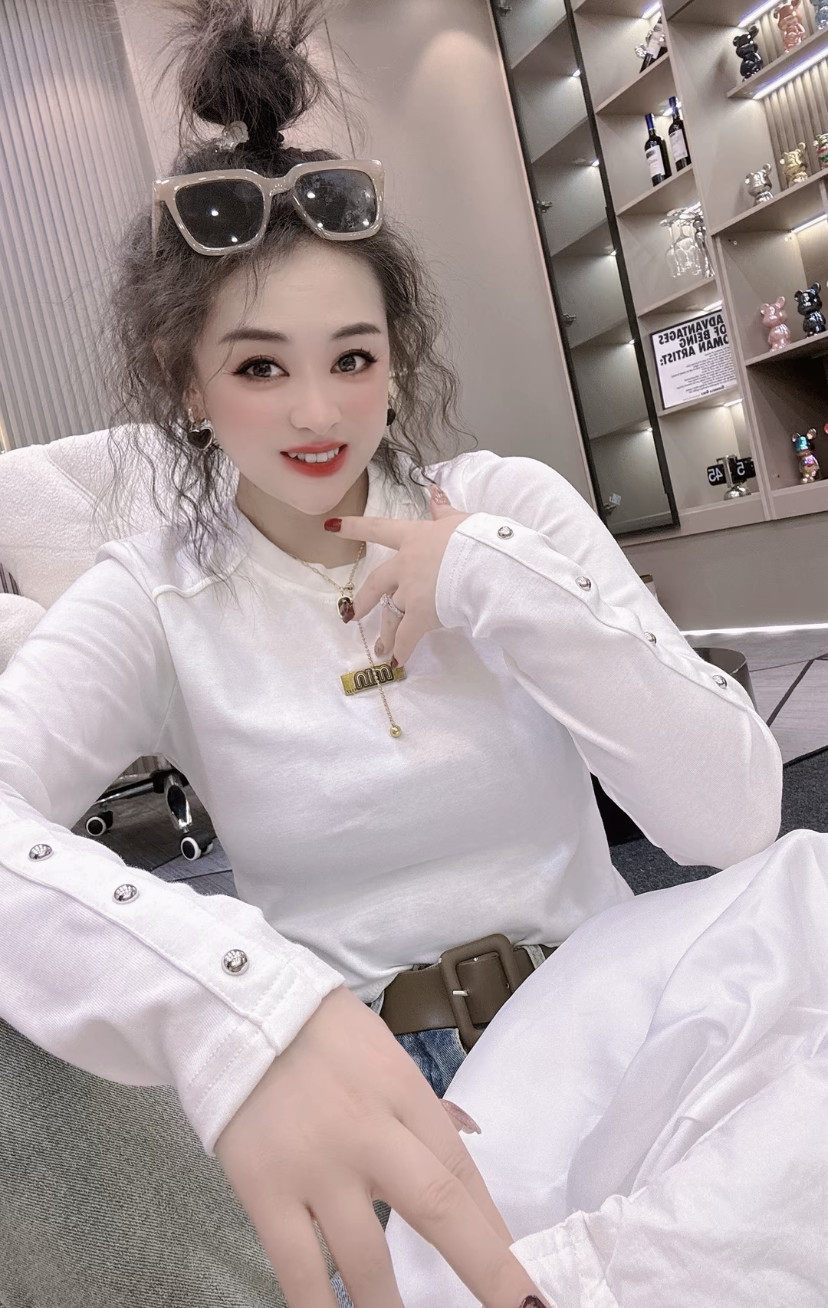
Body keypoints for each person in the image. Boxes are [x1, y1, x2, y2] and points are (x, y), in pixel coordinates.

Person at [0, 1, 784, 1305]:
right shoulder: (158, 595)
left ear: (394, 359)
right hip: (372, 1092)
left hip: (626, 1021)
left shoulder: (507, 508)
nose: (318, 413)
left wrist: (490, 578)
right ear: (186, 382)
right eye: (259, 368)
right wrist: (233, 1005)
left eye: (352, 358)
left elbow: (735, 817)